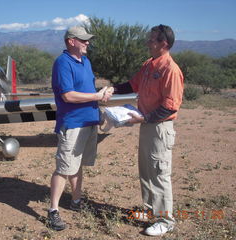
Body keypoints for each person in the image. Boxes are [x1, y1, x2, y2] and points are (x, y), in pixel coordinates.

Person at [114, 24, 184, 236]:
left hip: (159, 127)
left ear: (164, 44)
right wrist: (112, 89)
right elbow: (132, 85)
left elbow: (170, 106)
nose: (148, 43)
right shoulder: (149, 65)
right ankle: (150, 211)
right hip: (146, 125)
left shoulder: (170, 69)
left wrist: (145, 117)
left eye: (152, 40)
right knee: (146, 170)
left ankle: (165, 219)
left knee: (159, 173)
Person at [48, 26, 113, 231]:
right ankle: (53, 211)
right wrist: (96, 96)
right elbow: (68, 95)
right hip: (73, 124)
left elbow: (86, 91)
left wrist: (100, 104)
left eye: (87, 40)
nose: (87, 43)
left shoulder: (85, 61)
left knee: (77, 165)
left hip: (88, 122)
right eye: (83, 40)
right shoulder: (62, 63)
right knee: (64, 168)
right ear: (71, 41)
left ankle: (76, 202)